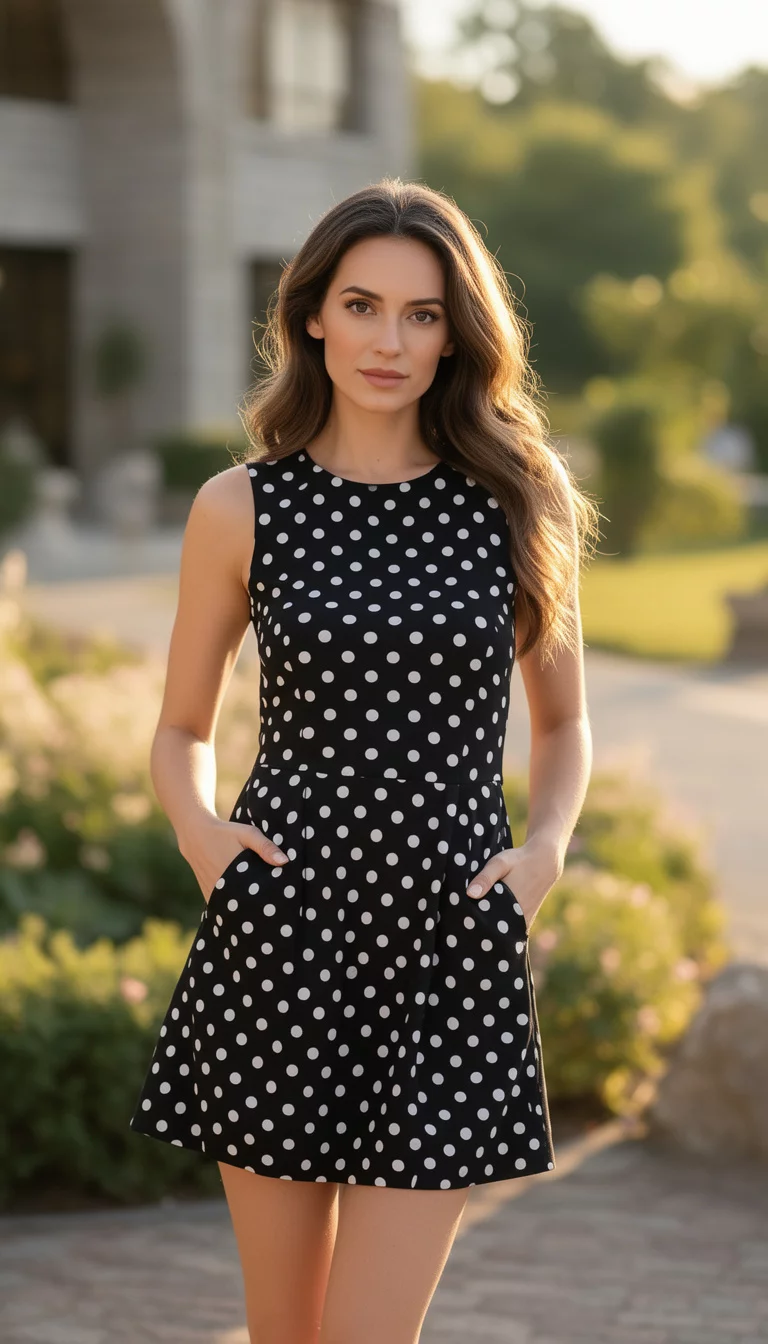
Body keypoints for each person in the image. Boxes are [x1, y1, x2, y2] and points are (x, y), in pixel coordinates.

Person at [130, 177, 598, 1344]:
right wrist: (205, 841)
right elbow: (181, 727)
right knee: (285, 1332)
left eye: (424, 314)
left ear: (458, 335)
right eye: (364, 304)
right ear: (312, 319)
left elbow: (562, 722)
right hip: (282, 934)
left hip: (448, 939)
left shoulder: (515, 501)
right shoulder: (241, 508)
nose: (391, 339)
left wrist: (542, 851)